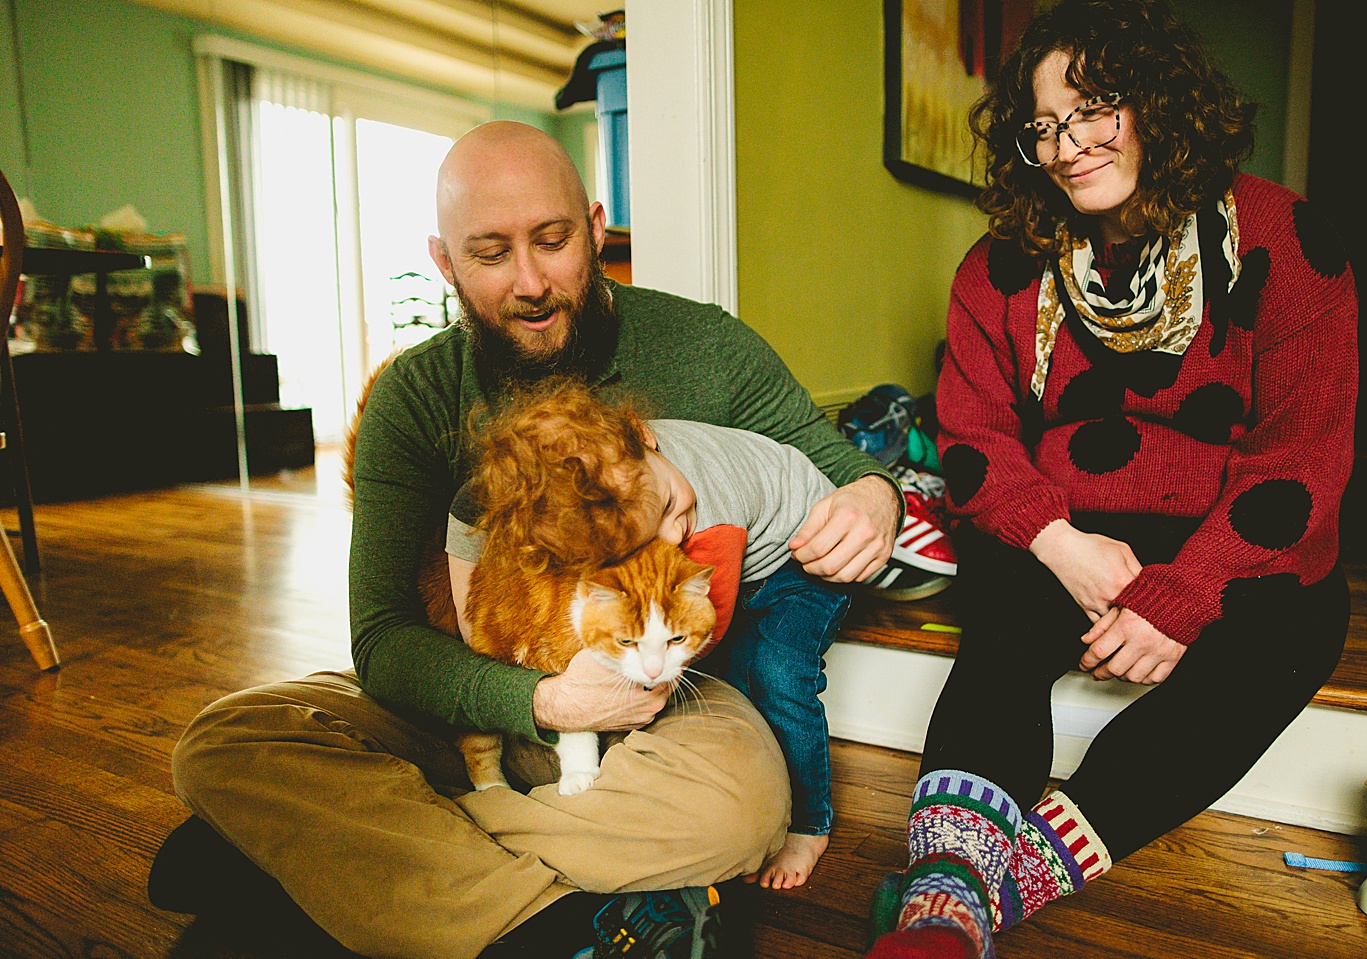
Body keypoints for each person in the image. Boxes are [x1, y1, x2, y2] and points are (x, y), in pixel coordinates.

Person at [151, 120, 902, 959]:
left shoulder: (704, 343)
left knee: (748, 810)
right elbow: (383, 641)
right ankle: (552, 921)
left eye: (553, 240)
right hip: (471, 692)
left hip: (647, 710)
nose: (532, 281)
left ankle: (331, 859)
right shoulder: (417, 397)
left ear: (596, 225)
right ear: (444, 261)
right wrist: (542, 702)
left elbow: (839, 464)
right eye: (490, 253)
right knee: (222, 741)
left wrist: (874, 498)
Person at [865, 2, 1357, 958]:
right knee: (1003, 629)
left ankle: (997, 889)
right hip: (1067, 527)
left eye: (1093, 108)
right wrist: (1062, 545)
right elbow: (973, 446)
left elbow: (1299, 465)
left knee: (1299, 627)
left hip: (1228, 533)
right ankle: (940, 902)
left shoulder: (1285, 239)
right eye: (1043, 124)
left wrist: (1183, 593)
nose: (1066, 146)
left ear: (1161, 102)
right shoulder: (997, 268)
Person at [448, 382, 853, 889]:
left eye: (666, 508)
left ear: (645, 438)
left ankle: (811, 824)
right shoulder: (619, 482)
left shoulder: (708, 515)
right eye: (641, 538)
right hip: (753, 550)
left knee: (777, 673)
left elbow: (704, 631)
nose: (669, 536)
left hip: (810, 552)